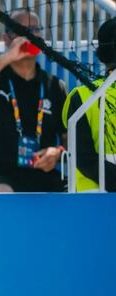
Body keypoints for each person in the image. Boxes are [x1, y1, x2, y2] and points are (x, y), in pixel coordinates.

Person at [0, 8, 67, 192]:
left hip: (42, 176)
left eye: (34, 30)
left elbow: (69, 137)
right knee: (3, 194)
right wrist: (7, 58)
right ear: (6, 38)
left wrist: (57, 152)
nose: (28, 36)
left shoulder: (54, 86)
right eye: (20, 30)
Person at [62, 17, 116, 192]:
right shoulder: (82, 97)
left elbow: (84, 159)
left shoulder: (81, 96)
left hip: (91, 206)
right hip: (95, 207)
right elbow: (85, 160)